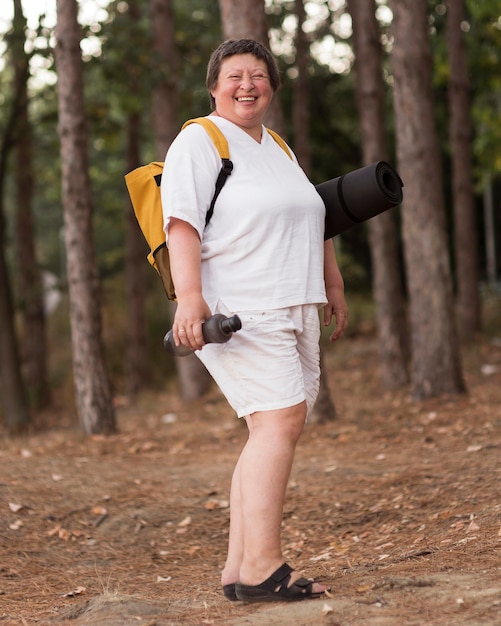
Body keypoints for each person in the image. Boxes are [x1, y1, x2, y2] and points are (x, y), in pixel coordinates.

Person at [161, 38, 348, 603]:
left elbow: (312, 217)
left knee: (271, 427)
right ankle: (264, 567)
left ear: (272, 86)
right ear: (215, 87)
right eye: (235, 75)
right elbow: (181, 224)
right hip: (240, 309)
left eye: (259, 75)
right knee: (280, 422)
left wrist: (332, 285)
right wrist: (189, 297)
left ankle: (240, 568)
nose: (248, 84)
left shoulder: (278, 146)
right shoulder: (200, 140)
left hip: (295, 302)